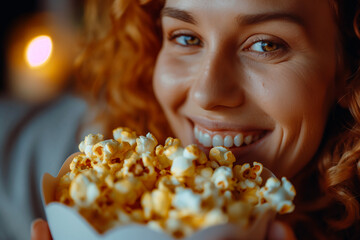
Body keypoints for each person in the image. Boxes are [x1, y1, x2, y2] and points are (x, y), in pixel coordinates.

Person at [2, 0, 359, 239]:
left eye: (266, 45)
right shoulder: (73, 178)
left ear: (348, 64)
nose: (207, 93)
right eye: (186, 38)